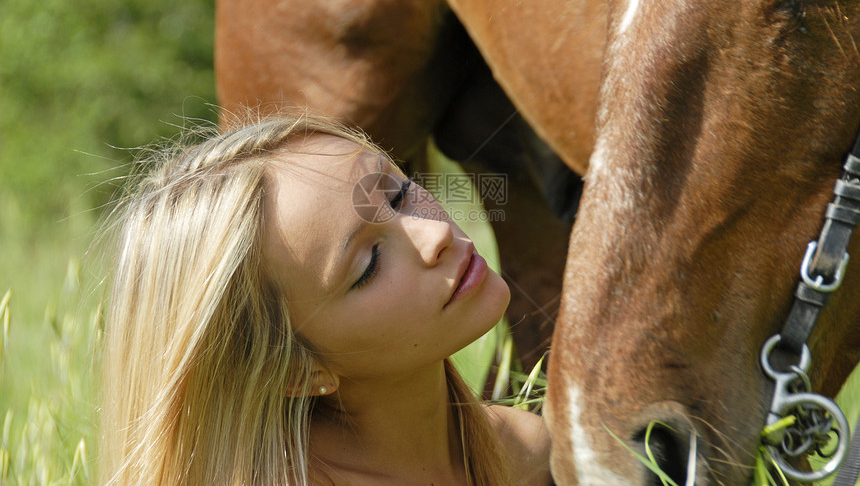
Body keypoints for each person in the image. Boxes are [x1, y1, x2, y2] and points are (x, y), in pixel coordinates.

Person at [99, 113, 552, 486]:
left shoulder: (530, 453)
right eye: (370, 264)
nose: (434, 234)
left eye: (398, 193)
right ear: (296, 368)